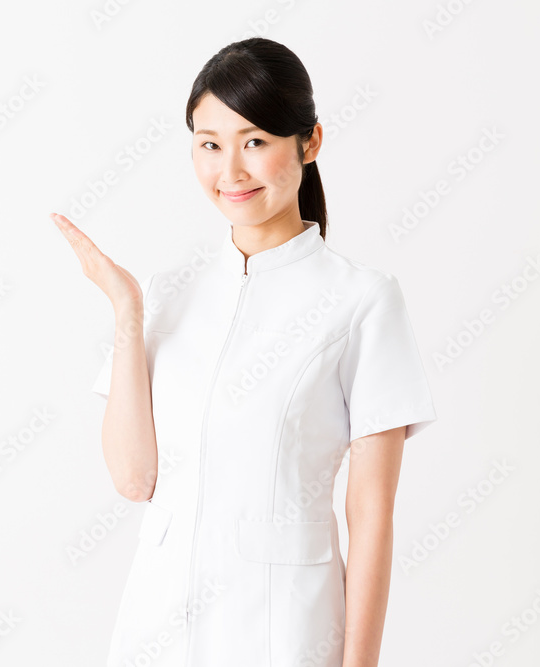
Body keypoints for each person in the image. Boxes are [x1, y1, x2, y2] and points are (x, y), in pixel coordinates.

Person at [51, 37, 437, 667]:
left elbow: (370, 516)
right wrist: (126, 311)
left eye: (254, 141)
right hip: (156, 628)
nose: (229, 171)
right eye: (209, 144)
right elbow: (134, 479)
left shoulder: (363, 301)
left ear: (308, 143)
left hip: (282, 629)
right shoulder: (165, 293)